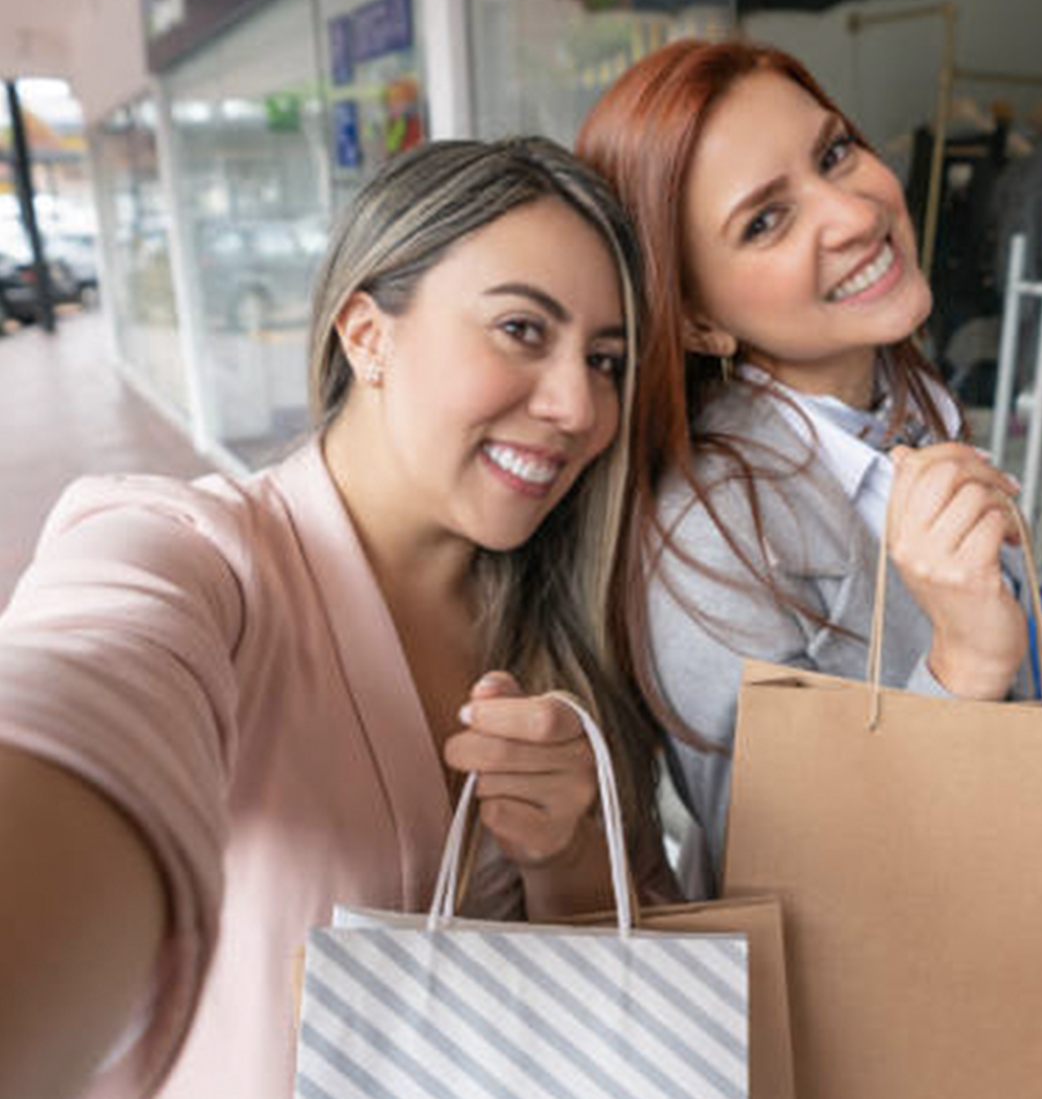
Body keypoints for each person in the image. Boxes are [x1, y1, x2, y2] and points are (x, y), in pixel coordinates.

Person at [0, 139, 666, 1098]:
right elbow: (92, 681)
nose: (577, 406)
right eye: (523, 329)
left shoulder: (568, 621)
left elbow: (618, 989)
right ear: (367, 334)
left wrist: (564, 855)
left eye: (606, 360)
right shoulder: (200, 559)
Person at [577, 41, 1042, 895]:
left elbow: (1001, 698)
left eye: (834, 152)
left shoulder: (909, 399)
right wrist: (961, 666)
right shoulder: (702, 535)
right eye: (766, 220)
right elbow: (775, 869)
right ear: (694, 322)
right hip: (869, 1012)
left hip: (1015, 928)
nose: (855, 214)